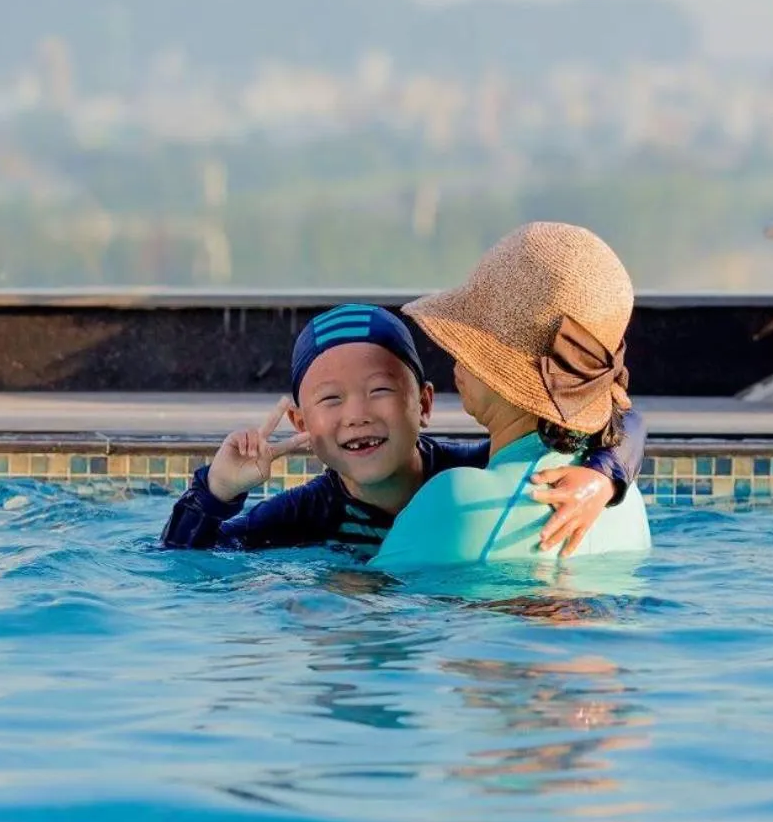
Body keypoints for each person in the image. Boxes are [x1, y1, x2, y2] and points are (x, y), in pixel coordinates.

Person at [161, 302, 646, 555]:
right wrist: (217, 491)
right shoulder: (308, 514)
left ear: (425, 404)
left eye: (380, 390)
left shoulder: (471, 475)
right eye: (331, 399)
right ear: (301, 424)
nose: (357, 414)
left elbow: (621, 417)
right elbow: (184, 559)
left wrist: (603, 476)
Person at [373, 222, 651, 572]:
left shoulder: (456, 501)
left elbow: (371, 597)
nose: (456, 358)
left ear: (498, 372)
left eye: (469, 345)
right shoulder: (626, 500)